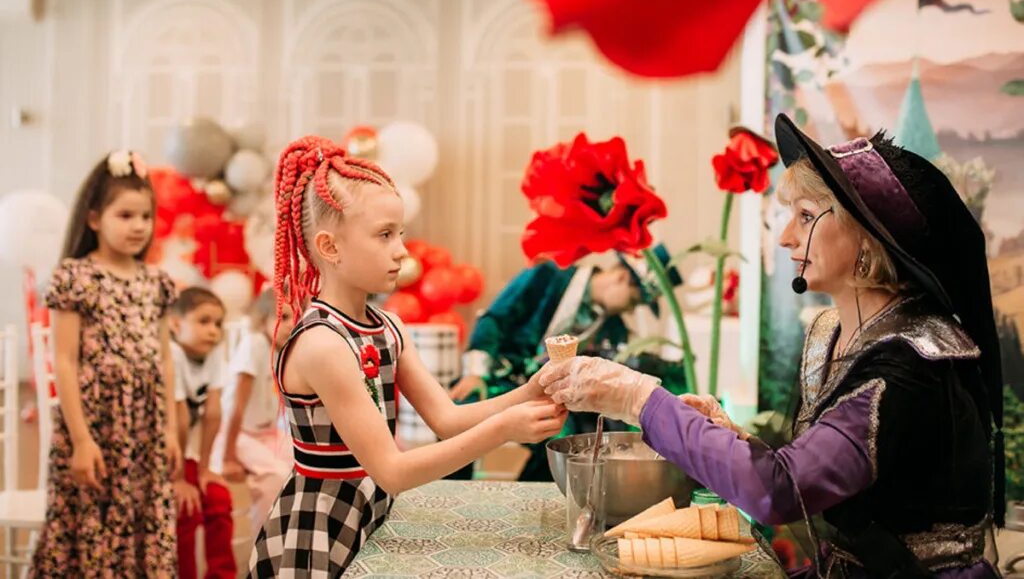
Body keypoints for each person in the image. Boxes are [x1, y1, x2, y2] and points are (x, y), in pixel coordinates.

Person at [541, 113, 1003, 576]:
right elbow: (817, 471)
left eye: (806, 216)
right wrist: (732, 437)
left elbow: (780, 492)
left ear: (867, 234)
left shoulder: (911, 363)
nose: (785, 238)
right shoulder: (833, 331)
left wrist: (636, 397)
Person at [248, 136, 567, 577]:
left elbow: (448, 419)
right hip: (318, 532)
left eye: (401, 233)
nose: (402, 249)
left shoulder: (388, 328)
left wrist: (527, 393)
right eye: (384, 235)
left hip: (366, 512)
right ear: (330, 246)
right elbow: (393, 471)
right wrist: (505, 429)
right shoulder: (323, 343)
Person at [31, 151, 181, 577]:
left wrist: (170, 428)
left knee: (143, 524)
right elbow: (64, 359)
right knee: (93, 526)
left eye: (146, 216)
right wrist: (80, 439)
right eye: (126, 215)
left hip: (146, 428)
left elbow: (166, 361)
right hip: (97, 425)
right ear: (94, 219)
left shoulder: (157, 282)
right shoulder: (76, 277)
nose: (138, 226)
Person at [448, 245, 681, 481]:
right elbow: (494, 319)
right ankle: (451, 489)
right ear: (621, 278)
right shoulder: (548, 276)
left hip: (550, 393)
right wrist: (475, 373)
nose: (631, 309)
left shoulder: (615, 328)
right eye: (633, 300)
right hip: (500, 375)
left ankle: (533, 500)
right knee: (462, 403)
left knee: (563, 438)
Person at [213, 287, 296, 529]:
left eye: (296, 317)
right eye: (284, 317)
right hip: (238, 435)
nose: (292, 324)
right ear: (264, 318)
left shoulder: (280, 350)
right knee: (277, 476)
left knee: (304, 465)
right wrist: (228, 457)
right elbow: (235, 406)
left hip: (266, 434)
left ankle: (290, 536)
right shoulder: (255, 344)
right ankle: (266, 542)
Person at [170, 287, 236, 579]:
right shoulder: (169, 353)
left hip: (185, 455)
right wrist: (179, 480)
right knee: (186, 507)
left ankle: (221, 575)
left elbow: (212, 414)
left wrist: (206, 469)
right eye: (203, 321)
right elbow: (179, 419)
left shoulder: (212, 354)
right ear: (175, 324)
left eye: (218, 324)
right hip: (158, 455)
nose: (213, 331)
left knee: (218, 497)